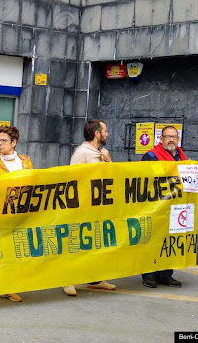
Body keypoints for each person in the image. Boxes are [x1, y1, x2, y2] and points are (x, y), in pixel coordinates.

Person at [65, 119, 116, 296]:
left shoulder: (100, 153)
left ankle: (95, 279)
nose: (107, 134)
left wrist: (108, 161)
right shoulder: (82, 153)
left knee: (94, 245)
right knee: (76, 245)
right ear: (97, 134)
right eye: (105, 131)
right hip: (82, 208)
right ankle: (67, 280)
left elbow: (110, 178)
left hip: (97, 208)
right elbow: (72, 179)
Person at [0, 125, 30, 304]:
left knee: (13, 251)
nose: (0, 144)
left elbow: (32, 181)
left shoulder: (25, 160)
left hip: (20, 212)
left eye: (4, 141)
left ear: (14, 142)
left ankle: (8, 287)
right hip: (0, 211)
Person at [140, 126, 186, 288]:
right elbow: (145, 181)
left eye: (174, 137)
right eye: (168, 137)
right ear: (161, 139)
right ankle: (149, 275)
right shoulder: (151, 156)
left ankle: (165, 274)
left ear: (178, 139)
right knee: (153, 240)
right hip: (154, 207)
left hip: (173, 207)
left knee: (169, 240)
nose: (171, 140)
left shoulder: (181, 156)